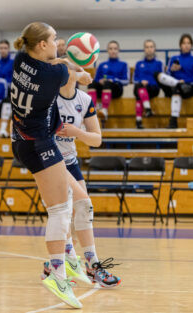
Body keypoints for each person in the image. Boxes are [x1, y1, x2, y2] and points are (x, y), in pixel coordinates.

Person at [11, 22, 92, 308]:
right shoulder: (54, 73)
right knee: (60, 209)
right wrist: (84, 68)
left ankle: (68, 259)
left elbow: (58, 64)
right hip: (40, 144)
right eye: (54, 39)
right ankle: (57, 273)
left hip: (21, 140)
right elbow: (78, 75)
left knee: (75, 197)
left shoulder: (20, 59)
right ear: (42, 45)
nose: (58, 43)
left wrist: (70, 64)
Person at [40, 61, 121, 288]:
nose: (67, 72)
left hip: (71, 161)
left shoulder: (84, 100)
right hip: (51, 162)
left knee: (79, 216)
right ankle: (91, 265)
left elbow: (97, 139)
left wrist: (78, 132)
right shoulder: (49, 98)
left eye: (71, 68)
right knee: (80, 207)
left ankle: (53, 265)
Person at [163, 34, 193, 128]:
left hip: (190, 87)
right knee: (159, 76)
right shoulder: (173, 58)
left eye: (188, 43)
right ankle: (173, 122)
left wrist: (184, 81)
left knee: (177, 88)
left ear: (191, 45)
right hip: (175, 86)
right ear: (180, 45)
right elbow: (167, 76)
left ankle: (173, 122)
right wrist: (172, 70)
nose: (186, 45)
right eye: (184, 43)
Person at [87, 40, 129, 124]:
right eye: (111, 48)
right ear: (107, 50)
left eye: (115, 48)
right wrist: (100, 81)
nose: (113, 51)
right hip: (103, 88)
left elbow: (126, 81)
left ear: (118, 50)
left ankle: (104, 110)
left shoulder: (123, 64)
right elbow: (96, 79)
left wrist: (113, 80)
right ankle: (92, 110)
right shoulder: (102, 65)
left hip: (116, 90)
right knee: (91, 84)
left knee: (108, 83)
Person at [132, 39, 163, 128]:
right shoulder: (139, 63)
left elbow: (161, 79)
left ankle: (138, 121)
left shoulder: (159, 63)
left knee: (139, 92)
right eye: (147, 47)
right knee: (139, 87)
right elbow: (134, 79)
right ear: (144, 49)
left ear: (154, 49)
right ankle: (148, 109)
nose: (149, 49)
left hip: (153, 88)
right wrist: (141, 82)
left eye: (151, 47)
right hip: (141, 87)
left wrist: (148, 82)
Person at [0, 39, 13, 137]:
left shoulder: (14, 62)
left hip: (11, 93)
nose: (3, 50)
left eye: (5, 48)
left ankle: (4, 129)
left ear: (9, 49)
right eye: (1, 48)